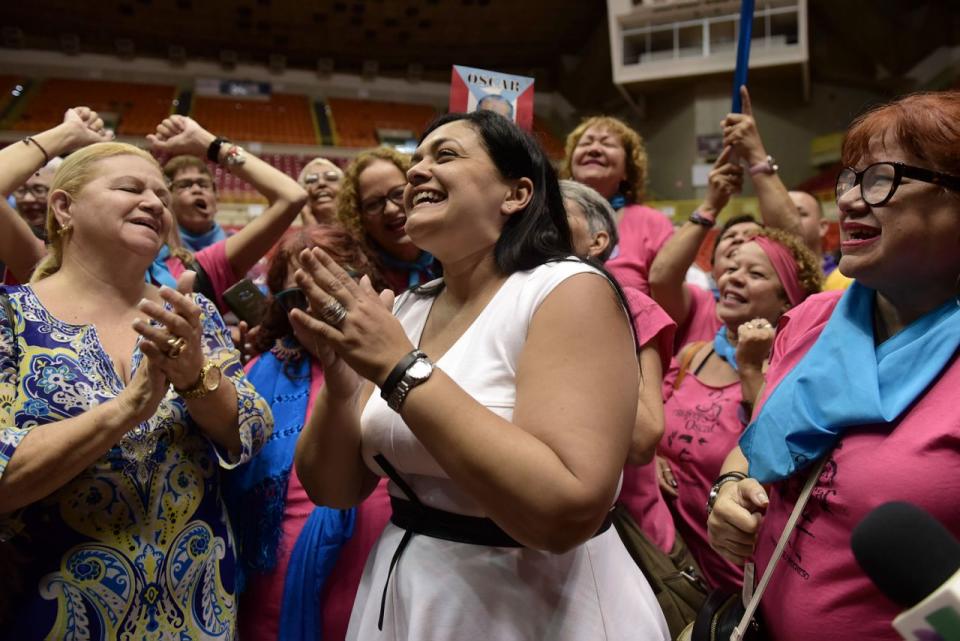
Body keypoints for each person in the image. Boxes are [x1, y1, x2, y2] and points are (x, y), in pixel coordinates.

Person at [293, 110, 669, 640]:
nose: (416, 172)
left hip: (536, 606)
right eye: (415, 160)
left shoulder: (567, 290)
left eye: (444, 155)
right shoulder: (405, 308)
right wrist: (340, 386)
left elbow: (564, 511)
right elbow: (333, 488)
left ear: (516, 193)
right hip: (407, 593)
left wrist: (401, 371)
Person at [707, 91, 960, 641]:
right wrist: (730, 484)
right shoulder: (811, 320)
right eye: (851, 180)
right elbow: (761, 434)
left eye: (882, 179)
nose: (848, 202)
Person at [0, 141, 272, 638]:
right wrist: (128, 407)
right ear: (64, 208)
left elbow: (250, 430)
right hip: (52, 614)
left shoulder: (190, 313)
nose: (155, 204)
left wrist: (194, 378)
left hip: (198, 607)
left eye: (161, 197)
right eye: (130, 188)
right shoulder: (9, 318)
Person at [224, 224, 391, 641]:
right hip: (276, 586)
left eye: (332, 287)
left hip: (382, 571)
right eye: (299, 296)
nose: (319, 308)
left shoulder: (404, 359)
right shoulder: (259, 375)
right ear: (282, 306)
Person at [656, 228, 821, 592]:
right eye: (732, 267)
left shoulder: (793, 375)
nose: (734, 277)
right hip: (672, 568)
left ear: (788, 303)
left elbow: (772, 452)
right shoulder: (692, 357)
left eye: (756, 273)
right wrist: (650, 459)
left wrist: (750, 367)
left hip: (737, 581)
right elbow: (648, 424)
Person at [560, 179, 677, 553]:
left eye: (556, 211)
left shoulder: (632, 306)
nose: (539, 220)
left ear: (598, 242)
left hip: (629, 535)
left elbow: (643, 438)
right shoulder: (512, 301)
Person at [722, 86, 852, 291]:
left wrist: (756, 156)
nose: (788, 216)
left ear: (823, 226)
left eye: (800, 212)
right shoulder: (758, 285)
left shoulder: (845, 280)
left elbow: (791, 238)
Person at [563, 115, 674, 294]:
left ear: (627, 170)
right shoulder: (544, 212)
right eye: (585, 143)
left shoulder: (653, 222)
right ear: (571, 163)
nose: (594, 149)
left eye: (607, 144)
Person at [335, 146, 439, 293]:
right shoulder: (359, 282)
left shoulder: (458, 252)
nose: (390, 209)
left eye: (398, 193)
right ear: (359, 218)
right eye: (373, 204)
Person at [298, 157, 344, 226]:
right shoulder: (286, 235)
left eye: (331, 178)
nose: (321, 183)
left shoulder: (362, 233)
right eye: (312, 180)